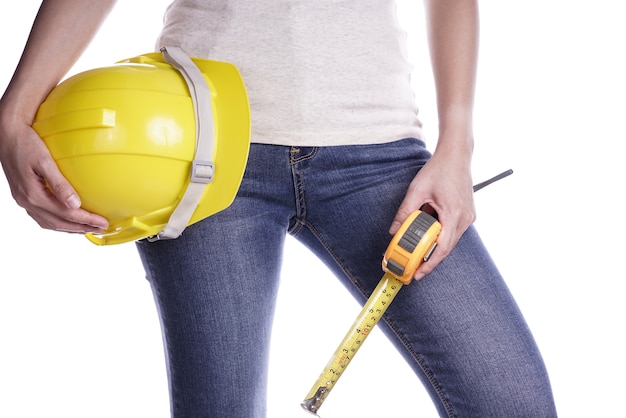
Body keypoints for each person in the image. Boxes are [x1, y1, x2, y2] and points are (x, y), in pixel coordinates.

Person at [0, 1, 558, 417]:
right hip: (196, 148)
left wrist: (456, 147)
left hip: (380, 156)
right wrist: (12, 116)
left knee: (512, 403)